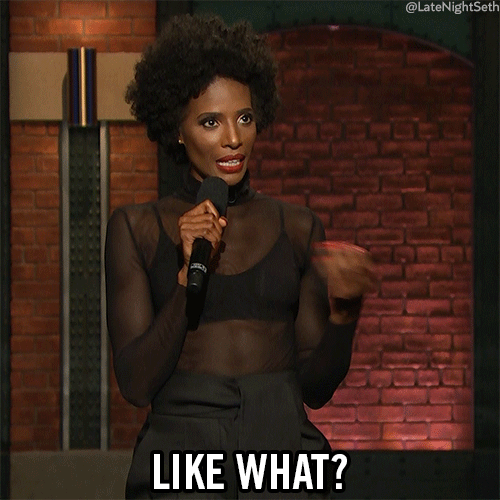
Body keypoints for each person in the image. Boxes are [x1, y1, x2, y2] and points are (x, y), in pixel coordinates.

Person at [105, 13, 375, 499]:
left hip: (282, 455)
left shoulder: (298, 228)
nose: (233, 138)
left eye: (244, 118)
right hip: (182, 459)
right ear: (177, 129)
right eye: (211, 121)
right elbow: (136, 385)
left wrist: (345, 314)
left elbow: (316, 389)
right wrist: (187, 278)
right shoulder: (136, 228)